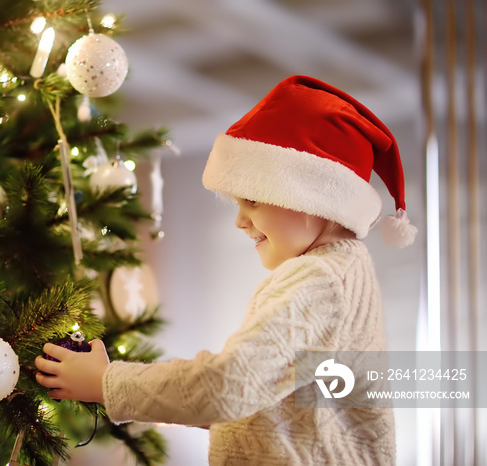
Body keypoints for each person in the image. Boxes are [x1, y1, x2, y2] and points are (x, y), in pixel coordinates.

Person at [35, 75, 417, 465]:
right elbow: (266, 399)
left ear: (309, 196)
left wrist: (105, 383)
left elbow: (227, 386)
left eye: (251, 200)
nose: (240, 221)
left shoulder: (320, 279)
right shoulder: (342, 273)